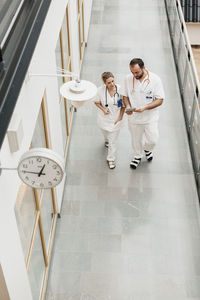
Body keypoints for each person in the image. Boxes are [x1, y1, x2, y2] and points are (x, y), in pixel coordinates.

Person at [122, 58, 165, 169]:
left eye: (137, 72)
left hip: (150, 118)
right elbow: (125, 95)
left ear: (143, 68)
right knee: (136, 140)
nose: (134, 75)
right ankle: (137, 156)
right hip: (134, 118)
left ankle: (147, 149)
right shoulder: (127, 79)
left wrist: (145, 108)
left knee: (153, 140)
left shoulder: (155, 80)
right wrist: (127, 107)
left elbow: (160, 100)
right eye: (132, 72)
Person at [94, 72, 125, 169]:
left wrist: (120, 117)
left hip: (115, 120)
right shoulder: (100, 91)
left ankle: (111, 159)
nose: (112, 84)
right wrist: (103, 109)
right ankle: (106, 140)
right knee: (106, 135)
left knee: (113, 142)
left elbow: (122, 105)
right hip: (103, 119)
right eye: (109, 83)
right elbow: (96, 102)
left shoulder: (120, 90)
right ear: (104, 83)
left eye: (113, 81)